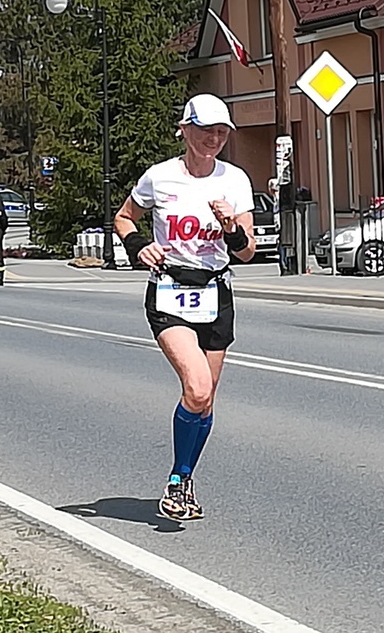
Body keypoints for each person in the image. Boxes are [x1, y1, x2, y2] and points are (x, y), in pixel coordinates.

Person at [113, 93, 257, 522]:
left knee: (205, 399)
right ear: (185, 130)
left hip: (215, 292)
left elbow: (247, 251)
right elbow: (124, 217)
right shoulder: (160, 177)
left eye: (221, 132)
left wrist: (231, 228)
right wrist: (139, 246)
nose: (214, 139)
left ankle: (184, 478)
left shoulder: (235, 180)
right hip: (170, 291)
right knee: (196, 387)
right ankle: (177, 479)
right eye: (206, 131)